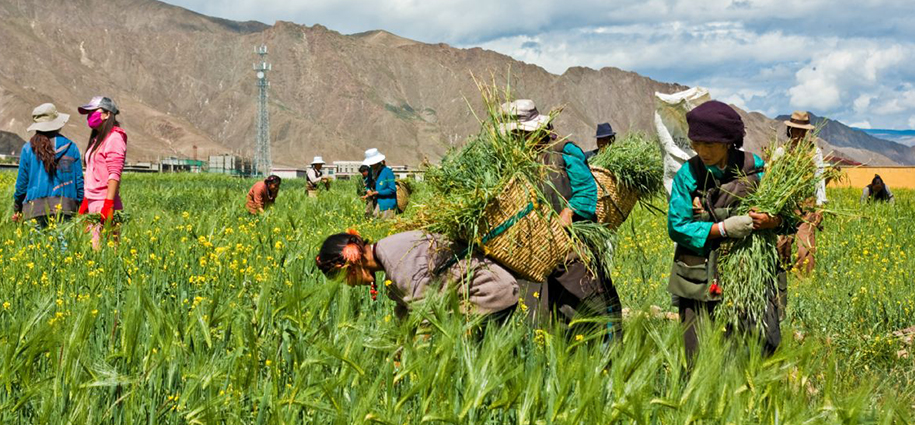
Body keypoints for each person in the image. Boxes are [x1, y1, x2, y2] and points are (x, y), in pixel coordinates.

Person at [667, 100, 783, 360]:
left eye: (709, 144)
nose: (701, 150)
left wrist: (770, 221)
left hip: (748, 273)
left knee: (755, 348)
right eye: (696, 144)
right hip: (698, 275)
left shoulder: (757, 170)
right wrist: (722, 228)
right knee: (697, 353)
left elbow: (788, 215)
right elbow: (678, 226)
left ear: (729, 141)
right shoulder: (689, 175)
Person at [500, 99, 621, 341]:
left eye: (520, 134)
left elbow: (586, 190)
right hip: (537, 250)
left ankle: (602, 353)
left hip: (572, 245)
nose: (517, 139)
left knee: (583, 306)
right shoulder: (514, 159)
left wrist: (568, 213)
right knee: (539, 309)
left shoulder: (564, 150)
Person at [315, 230, 519, 320]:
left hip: (487, 295)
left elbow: (426, 319)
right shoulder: (388, 261)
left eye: (343, 280)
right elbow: (407, 314)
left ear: (352, 262)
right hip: (476, 298)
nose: (349, 286)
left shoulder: (397, 263)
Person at [773, 111, 827, 316]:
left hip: (807, 207)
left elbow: (819, 178)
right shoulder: (781, 152)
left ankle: (804, 284)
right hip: (786, 206)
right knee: (782, 244)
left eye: (803, 130)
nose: (799, 133)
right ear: (790, 129)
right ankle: (783, 278)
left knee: (805, 246)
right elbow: (775, 178)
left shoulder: (814, 152)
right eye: (796, 129)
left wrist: (820, 205)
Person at [12, 103, 84, 228]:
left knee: (36, 247)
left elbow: (21, 185)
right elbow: (79, 183)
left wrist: (18, 208)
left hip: (34, 209)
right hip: (66, 208)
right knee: (62, 247)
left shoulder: (28, 149)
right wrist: (81, 206)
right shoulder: (71, 147)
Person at [76, 96, 126, 249]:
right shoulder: (97, 139)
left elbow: (114, 174)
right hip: (93, 200)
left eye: (93, 112)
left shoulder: (115, 138)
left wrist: (108, 204)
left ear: (107, 114)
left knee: (104, 250)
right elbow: (93, 171)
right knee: (92, 250)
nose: (90, 116)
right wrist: (86, 199)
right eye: (88, 113)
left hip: (104, 202)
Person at [362, 148, 397, 219]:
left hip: (386, 203)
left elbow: (392, 189)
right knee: (369, 218)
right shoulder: (370, 171)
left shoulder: (387, 172)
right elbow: (368, 184)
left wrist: (377, 192)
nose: (371, 164)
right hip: (374, 201)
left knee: (382, 222)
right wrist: (368, 190)